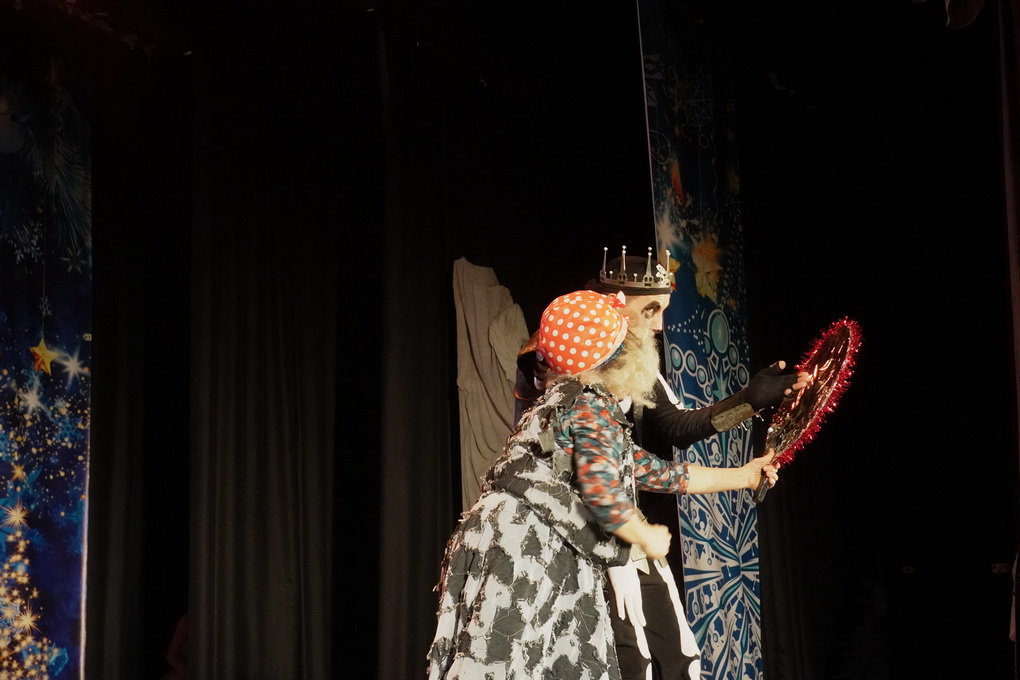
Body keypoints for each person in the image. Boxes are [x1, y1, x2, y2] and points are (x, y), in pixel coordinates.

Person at [426, 288, 783, 680]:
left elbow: (654, 471)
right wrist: (645, 536)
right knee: (508, 661)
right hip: (526, 547)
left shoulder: (565, 400)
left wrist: (744, 476)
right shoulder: (590, 405)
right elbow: (603, 494)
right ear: (617, 357)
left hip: (511, 537)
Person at [514, 247, 811, 680]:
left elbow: (649, 455)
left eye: (663, 311)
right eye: (650, 310)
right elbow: (593, 479)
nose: (658, 325)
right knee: (620, 660)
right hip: (575, 537)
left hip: (620, 526)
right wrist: (639, 534)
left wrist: (748, 409)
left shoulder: (626, 372)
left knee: (675, 657)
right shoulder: (570, 378)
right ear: (613, 306)